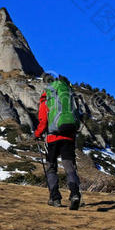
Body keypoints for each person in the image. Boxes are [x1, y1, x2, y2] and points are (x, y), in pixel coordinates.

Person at [34, 78, 81, 210]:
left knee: (51, 167)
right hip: (69, 137)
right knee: (69, 167)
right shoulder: (68, 97)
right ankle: (75, 194)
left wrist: (37, 134)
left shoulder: (46, 100)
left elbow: (43, 121)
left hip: (52, 138)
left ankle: (55, 198)